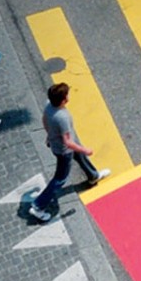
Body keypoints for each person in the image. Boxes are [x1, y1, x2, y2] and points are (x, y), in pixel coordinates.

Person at [29, 83, 111, 222]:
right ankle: (38, 206)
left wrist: (49, 135)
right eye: (67, 95)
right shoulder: (62, 117)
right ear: (63, 100)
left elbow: (44, 119)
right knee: (60, 178)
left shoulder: (48, 105)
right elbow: (67, 142)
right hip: (64, 150)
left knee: (79, 156)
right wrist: (86, 149)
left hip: (58, 143)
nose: (68, 97)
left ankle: (93, 175)